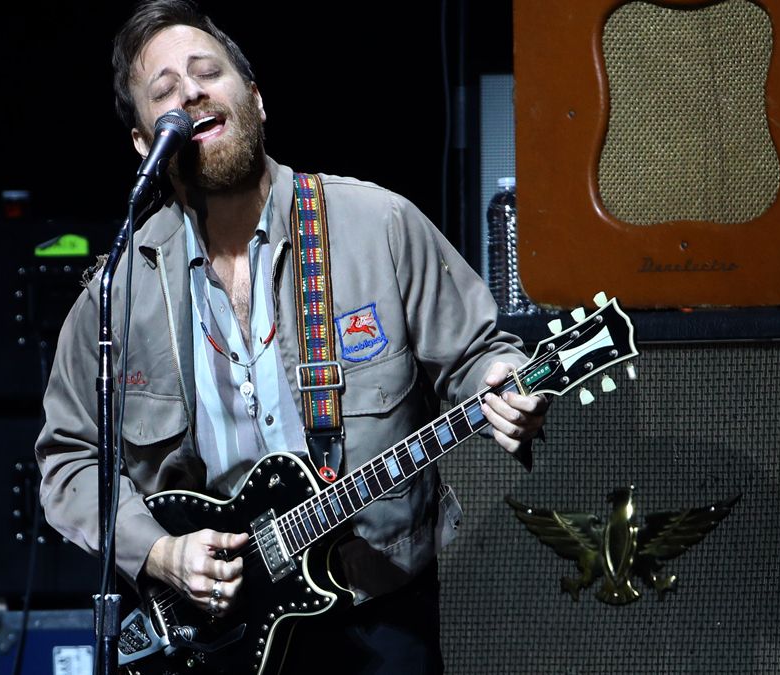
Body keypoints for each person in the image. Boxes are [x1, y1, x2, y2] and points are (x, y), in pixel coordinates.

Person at [35, 1, 548, 672]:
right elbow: (71, 460)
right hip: (209, 635)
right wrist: (159, 552)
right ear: (144, 144)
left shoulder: (377, 225)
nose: (189, 92)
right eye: (163, 92)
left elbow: (481, 355)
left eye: (206, 73)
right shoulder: (120, 293)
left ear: (254, 98)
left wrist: (503, 384)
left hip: (378, 610)